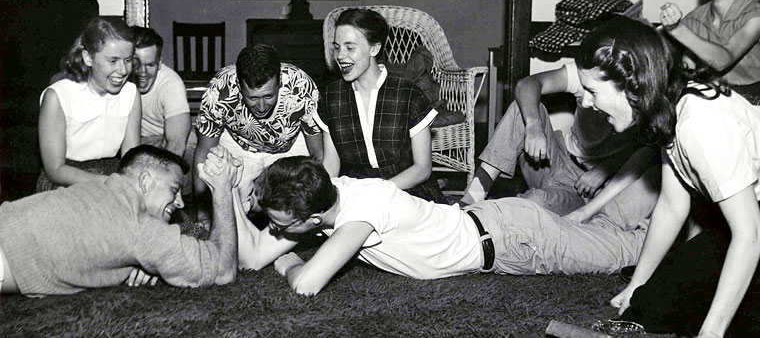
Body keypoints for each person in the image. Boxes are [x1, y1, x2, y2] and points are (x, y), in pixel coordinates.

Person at [561, 16, 760, 337]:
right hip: (751, 222)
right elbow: (671, 205)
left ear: (631, 83)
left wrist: (712, 331)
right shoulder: (669, 109)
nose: (586, 102)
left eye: (591, 91)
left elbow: (751, 233)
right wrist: (637, 286)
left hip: (754, 228)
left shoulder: (700, 123)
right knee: (650, 306)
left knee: (725, 320)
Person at [230, 155, 658, 296]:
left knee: (626, 252)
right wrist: (223, 190)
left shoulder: (359, 216)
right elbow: (250, 257)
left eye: (284, 226)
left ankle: (684, 208)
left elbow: (306, 284)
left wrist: (286, 263)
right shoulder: (328, 190)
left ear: (313, 220)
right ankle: (650, 200)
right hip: (498, 223)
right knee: (607, 231)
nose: (278, 231)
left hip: (515, 239)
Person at [0, 144, 239, 296]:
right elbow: (223, 270)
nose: (181, 202)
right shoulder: (138, 223)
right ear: (145, 181)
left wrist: (143, 262)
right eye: (174, 189)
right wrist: (223, 190)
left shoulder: (99, 186)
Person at [460, 53, 657, 223]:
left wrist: (606, 169)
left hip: (581, 186)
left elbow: (650, 152)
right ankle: (473, 196)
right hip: (553, 156)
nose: (587, 101)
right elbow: (527, 85)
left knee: (533, 205)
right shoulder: (591, 75)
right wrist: (534, 127)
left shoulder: (647, 97)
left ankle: (490, 220)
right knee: (525, 109)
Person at [315, 8, 445, 203]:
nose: (340, 56)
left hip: (407, 190)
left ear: (374, 49)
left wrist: (377, 193)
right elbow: (331, 164)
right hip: (356, 192)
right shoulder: (331, 97)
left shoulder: (408, 94)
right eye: (337, 47)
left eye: (350, 48)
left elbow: (422, 168)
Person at [194, 43, 322, 225]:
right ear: (239, 86)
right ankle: (250, 204)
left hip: (290, 145)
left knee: (297, 197)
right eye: (253, 98)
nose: (261, 107)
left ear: (280, 82)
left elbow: (318, 153)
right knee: (227, 194)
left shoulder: (301, 87)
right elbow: (204, 153)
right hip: (240, 145)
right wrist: (203, 214)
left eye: (268, 96)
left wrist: (318, 202)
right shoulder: (219, 90)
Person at [37, 17, 142, 193]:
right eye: (113, 61)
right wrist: (109, 184)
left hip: (114, 174)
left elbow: (131, 159)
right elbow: (55, 169)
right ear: (88, 58)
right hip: (66, 181)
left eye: (128, 60)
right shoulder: (57, 96)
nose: (123, 70)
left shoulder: (131, 93)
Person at [659, 0, 760, 98]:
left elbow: (724, 60)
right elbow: (688, 68)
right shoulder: (696, 17)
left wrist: (677, 30)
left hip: (753, 97)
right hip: (715, 92)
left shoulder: (755, 12)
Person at [131, 26, 192, 160]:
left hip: (165, 142)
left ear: (159, 63)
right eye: (136, 65)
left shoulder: (170, 83)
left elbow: (176, 144)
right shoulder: (117, 78)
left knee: (189, 152)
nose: (143, 73)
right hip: (133, 142)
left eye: (150, 65)